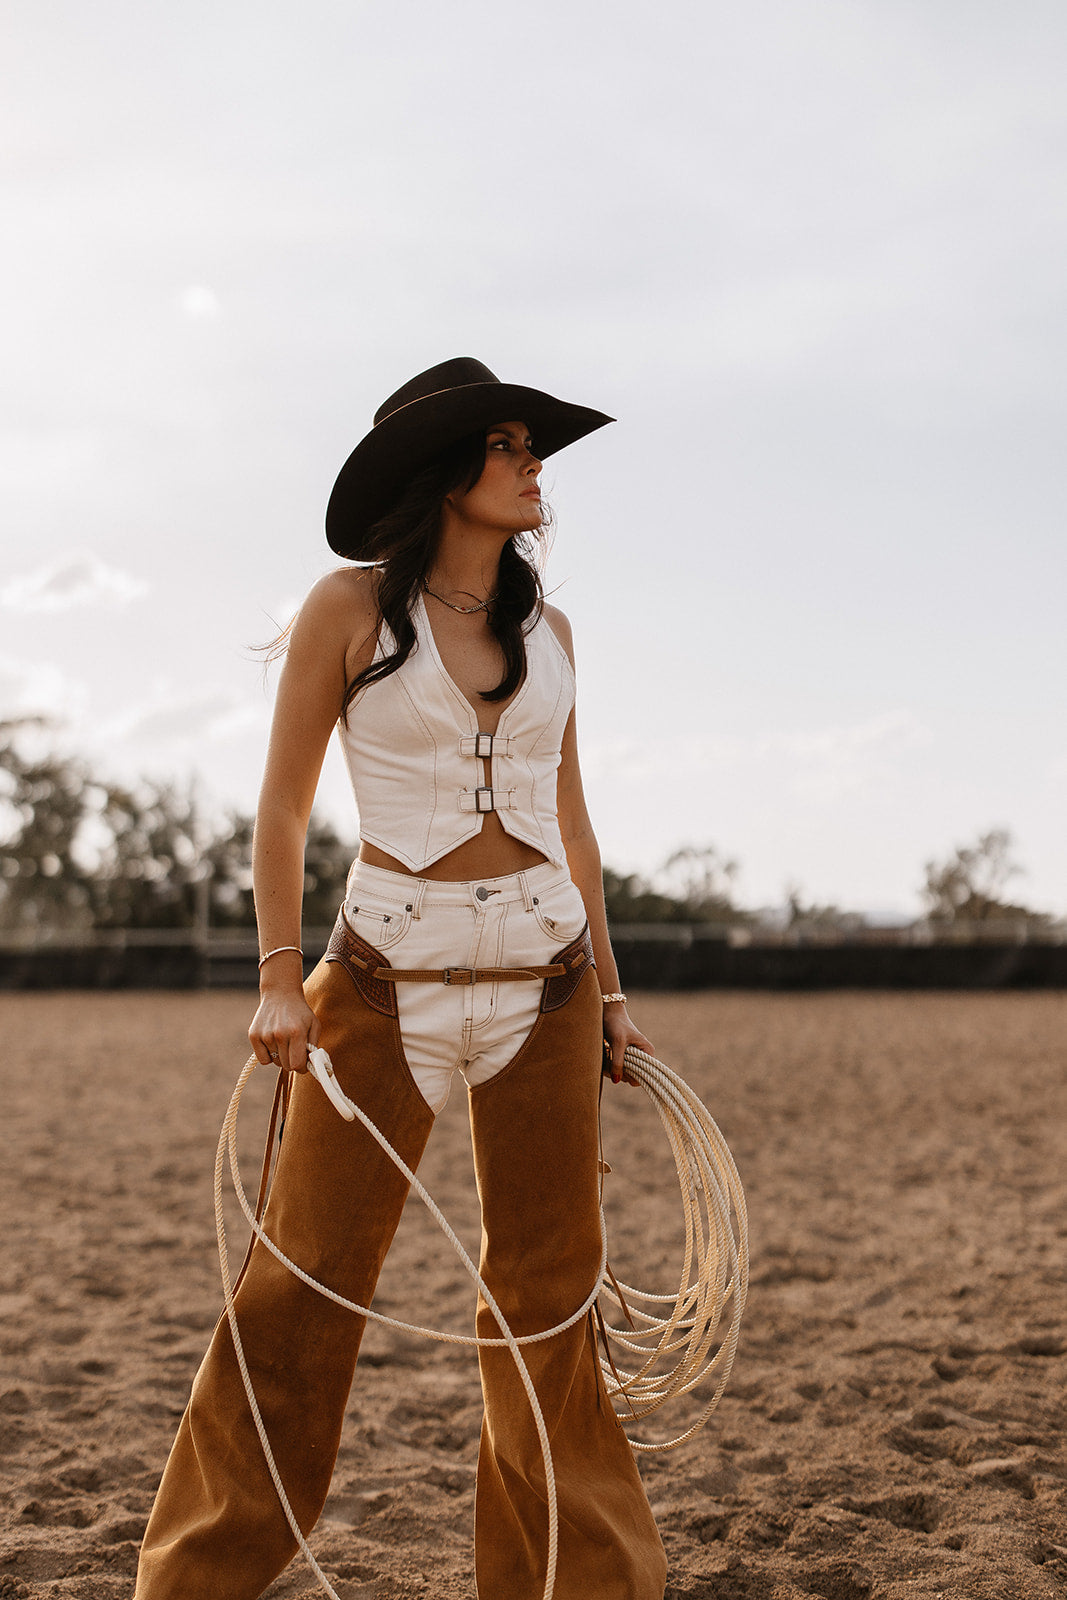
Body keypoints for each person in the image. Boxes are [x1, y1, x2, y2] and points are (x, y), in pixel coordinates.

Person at [134, 357, 669, 1600]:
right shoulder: (347, 612)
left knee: (548, 1304)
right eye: (510, 442)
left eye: (535, 445)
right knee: (299, 1287)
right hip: (376, 980)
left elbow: (572, 825)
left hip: (546, 986)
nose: (536, 463)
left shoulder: (554, 634)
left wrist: (613, 988)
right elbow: (281, 809)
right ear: (445, 470)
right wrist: (278, 977)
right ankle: (196, 1582)